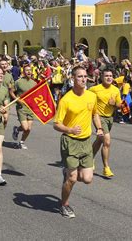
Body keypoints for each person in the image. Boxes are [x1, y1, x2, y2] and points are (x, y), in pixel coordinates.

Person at [53, 66, 103, 218]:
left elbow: (95, 114)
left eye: (84, 76)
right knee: (72, 178)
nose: (83, 79)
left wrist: (99, 128)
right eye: (79, 76)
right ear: (72, 79)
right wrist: (69, 130)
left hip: (86, 141)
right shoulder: (66, 99)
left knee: (87, 179)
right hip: (70, 141)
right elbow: (56, 124)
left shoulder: (91, 96)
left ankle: (67, 172)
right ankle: (64, 205)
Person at [89, 69, 121, 178]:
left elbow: (120, 105)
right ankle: (106, 168)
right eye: (106, 76)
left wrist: (115, 104)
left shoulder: (116, 90)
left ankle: (90, 158)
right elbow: (86, 100)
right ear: (101, 77)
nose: (109, 78)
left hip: (109, 118)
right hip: (98, 117)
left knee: (99, 139)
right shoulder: (94, 89)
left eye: (111, 76)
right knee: (106, 141)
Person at [10, 64, 36, 150]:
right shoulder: (18, 82)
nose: (29, 71)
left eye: (30, 70)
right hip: (21, 107)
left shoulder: (34, 83)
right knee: (25, 127)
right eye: (27, 70)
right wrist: (17, 100)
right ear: (23, 72)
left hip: (31, 108)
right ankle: (17, 129)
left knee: (28, 129)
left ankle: (21, 142)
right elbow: (11, 92)